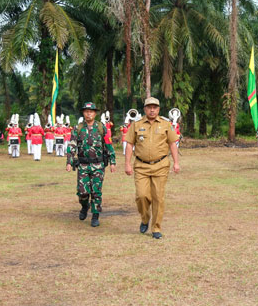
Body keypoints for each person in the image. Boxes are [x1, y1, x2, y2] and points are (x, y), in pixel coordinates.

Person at [125, 97, 180, 240]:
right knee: (142, 196)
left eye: (155, 107)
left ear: (159, 109)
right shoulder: (136, 125)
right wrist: (127, 164)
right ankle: (145, 218)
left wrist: (176, 163)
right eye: (149, 107)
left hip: (160, 165)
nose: (152, 109)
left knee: (158, 197)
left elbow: (173, 143)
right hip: (141, 166)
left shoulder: (166, 124)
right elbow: (130, 144)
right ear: (144, 109)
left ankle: (156, 227)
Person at [66, 102, 116, 227]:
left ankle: (95, 215)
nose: (89, 113)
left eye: (91, 111)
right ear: (83, 113)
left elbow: (108, 145)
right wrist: (69, 161)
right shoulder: (77, 128)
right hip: (83, 165)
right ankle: (84, 206)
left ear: (95, 113)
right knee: (82, 192)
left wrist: (112, 162)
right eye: (86, 111)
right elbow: (72, 145)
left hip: (98, 165)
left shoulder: (101, 127)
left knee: (96, 191)